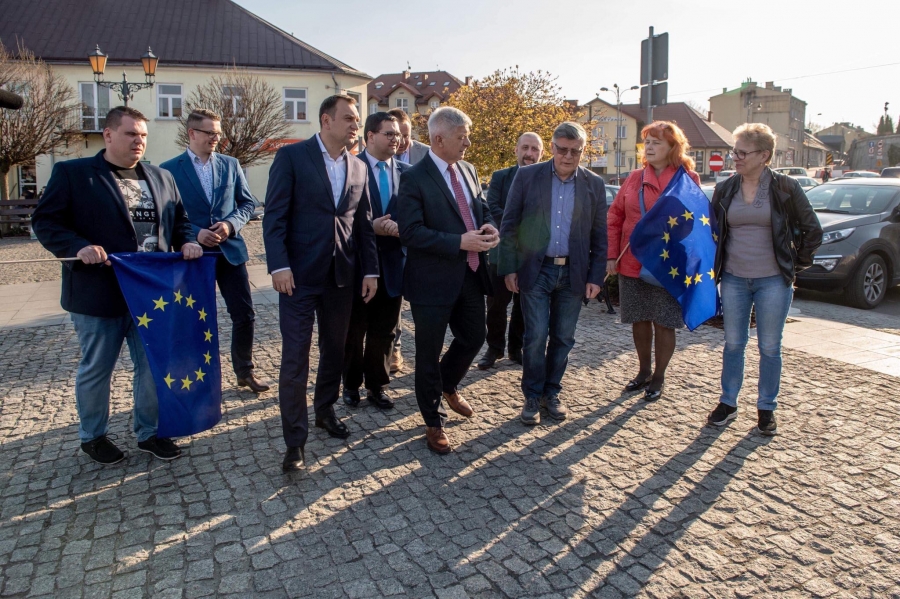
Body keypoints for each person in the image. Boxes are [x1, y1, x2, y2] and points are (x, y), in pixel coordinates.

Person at [32, 106, 202, 464]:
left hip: (151, 296)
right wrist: (77, 246)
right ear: (108, 135)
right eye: (131, 134)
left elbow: (180, 222)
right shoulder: (74, 174)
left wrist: (187, 241)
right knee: (98, 369)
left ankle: (150, 432)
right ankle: (93, 436)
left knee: (153, 367)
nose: (139, 141)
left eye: (143, 135)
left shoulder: (162, 177)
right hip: (98, 293)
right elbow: (45, 222)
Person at [263, 95, 379, 472]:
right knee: (295, 358)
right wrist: (279, 266)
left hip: (342, 278)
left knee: (335, 350)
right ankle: (295, 442)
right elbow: (274, 217)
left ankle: (325, 409)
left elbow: (363, 225)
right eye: (348, 118)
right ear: (326, 120)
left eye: (357, 119)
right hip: (297, 277)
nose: (355, 125)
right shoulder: (292, 157)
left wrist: (370, 271)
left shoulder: (359, 166)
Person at [706, 123, 822, 435]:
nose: (736, 158)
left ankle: (766, 407)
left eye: (743, 153)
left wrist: (794, 266)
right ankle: (728, 402)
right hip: (734, 279)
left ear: (764, 156)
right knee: (733, 343)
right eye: (735, 152)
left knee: (770, 346)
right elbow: (711, 232)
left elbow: (813, 230)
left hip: (773, 281)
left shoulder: (786, 188)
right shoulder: (725, 189)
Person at [396, 106, 499, 454]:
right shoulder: (414, 177)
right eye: (462, 137)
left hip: (470, 273)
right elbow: (410, 232)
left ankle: (447, 383)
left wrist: (489, 226)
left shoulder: (468, 169)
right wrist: (458, 241)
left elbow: (480, 207)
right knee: (428, 353)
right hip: (431, 281)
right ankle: (433, 422)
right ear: (439, 139)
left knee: (474, 336)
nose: (468, 143)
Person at [499, 123, 607, 424]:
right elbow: (509, 224)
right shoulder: (527, 176)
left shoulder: (594, 184)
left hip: (574, 272)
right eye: (562, 149)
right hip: (536, 269)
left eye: (575, 151)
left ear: (582, 151)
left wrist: (596, 276)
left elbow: (600, 234)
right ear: (552, 147)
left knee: (563, 337)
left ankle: (552, 392)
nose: (568, 156)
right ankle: (532, 395)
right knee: (535, 336)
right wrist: (509, 267)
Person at [160, 109, 269, 394]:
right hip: (192, 255)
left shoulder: (231, 164)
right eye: (210, 133)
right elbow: (167, 213)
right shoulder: (169, 169)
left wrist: (230, 225)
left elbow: (247, 203)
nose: (216, 138)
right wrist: (195, 232)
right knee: (196, 319)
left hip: (230, 252)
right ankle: (198, 378)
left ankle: (245, 371)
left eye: (218, 133)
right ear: (192, 133)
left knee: (244, 314)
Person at [606, 121, 701, 402]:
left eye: (656, 142)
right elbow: (615, 217)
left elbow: (694, 221)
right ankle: (643, 370)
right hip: (632, 261)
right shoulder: (634, 178)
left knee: (664, 322)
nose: (649, 147)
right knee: (639, 319)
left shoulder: (687, 178)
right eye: (646, 142)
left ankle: (659, 376)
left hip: (667, 263)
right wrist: (610, 255)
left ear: (673, 147)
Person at [342, 112, 410, 410]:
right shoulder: (349, 168)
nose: (396, 139)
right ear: (370, 136)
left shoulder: (408, 173)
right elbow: (340, 219)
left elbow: (417, 215)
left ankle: (377, 385)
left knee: (385, 330)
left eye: (398, 134)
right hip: (357, 265)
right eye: (389, 134)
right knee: (354, 329)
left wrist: (402, 228)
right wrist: (371, 227)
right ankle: (350, 384)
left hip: (394, 263)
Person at [477, 132, 543, 370]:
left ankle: (517, 348)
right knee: (496, 304)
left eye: (534, 149)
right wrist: (518, 225)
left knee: (523, 304)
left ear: (541, 153)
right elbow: (493, 207)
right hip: (502, 250)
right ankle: (494, 348)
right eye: (525, 148)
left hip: (531, 254)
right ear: (516, 150)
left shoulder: (546, 179)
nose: (529, 154)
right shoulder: (501, 177)